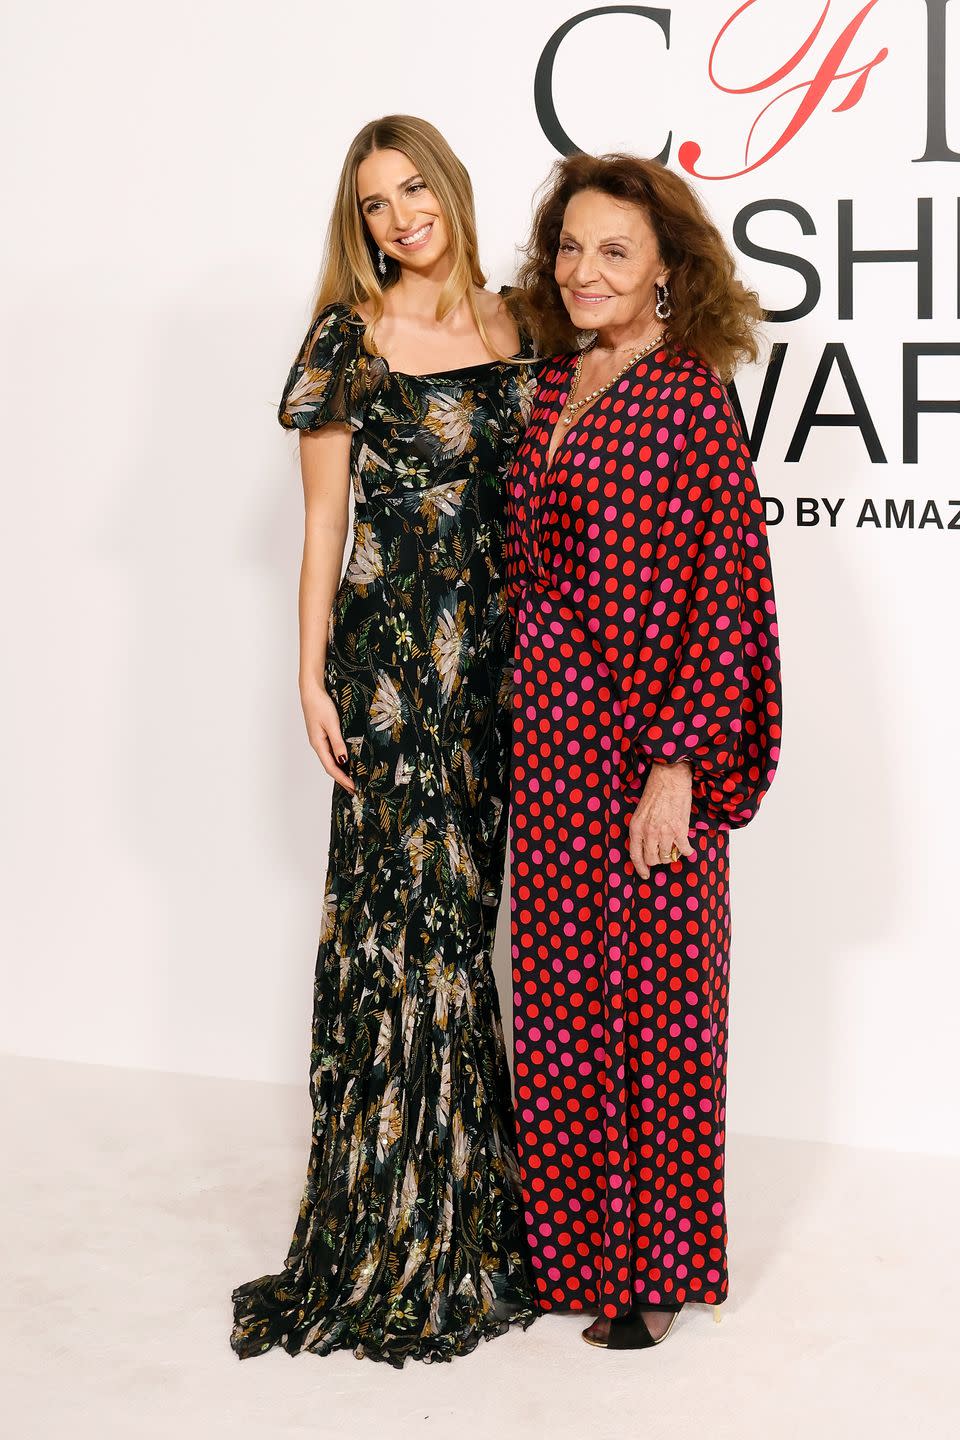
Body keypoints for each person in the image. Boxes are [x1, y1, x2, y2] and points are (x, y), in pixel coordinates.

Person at [231, 115, 539, 1368]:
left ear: (451, 189)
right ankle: (394, 1232)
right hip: (399, 677)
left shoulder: (525, 323)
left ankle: (480, 1210)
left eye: (414, 188)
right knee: (402, 940)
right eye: (374, 203)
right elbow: (323, 527)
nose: (402, 214)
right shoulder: (349, 341)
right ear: (355, 225)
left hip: (510, 674)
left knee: (469, 932)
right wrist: (308, 676)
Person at [506, 153, 782, 1350]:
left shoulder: (687, 397)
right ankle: (574, 1254)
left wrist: (676, 763)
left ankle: (653, 1272)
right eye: (570, 246)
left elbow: (726, 590)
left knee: (662, 1008)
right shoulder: (549, 382)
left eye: (614, 250)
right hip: (547, 743)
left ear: (667, 268)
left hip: (644, 743)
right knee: (563, 1000)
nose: (583, 269)